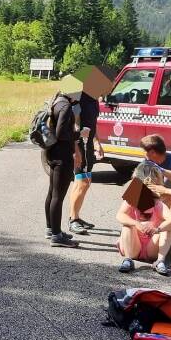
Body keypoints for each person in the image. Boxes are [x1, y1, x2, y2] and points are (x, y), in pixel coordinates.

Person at [116, 160, 171, 275]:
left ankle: (160, 261)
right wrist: (136, 224)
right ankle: (128, 260)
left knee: (167, 228)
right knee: (127, 225)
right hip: (133, 246)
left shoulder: (158, 203)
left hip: (151, 246)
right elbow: (120, 215)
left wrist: (158, 229)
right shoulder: (133, 196)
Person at [45, 90, 81, 248]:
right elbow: (61, 133)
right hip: (62, 156)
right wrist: (78, 134)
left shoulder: (56, 101)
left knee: (52, 192)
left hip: (51, 153)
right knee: (58, 197)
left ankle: (51, 229)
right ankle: (57, 236)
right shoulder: (66, 106)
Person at [67, 91, 102, 234]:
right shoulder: (79, 99)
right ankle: (73, 220)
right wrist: (76, 149)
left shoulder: (94, 99)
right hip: (79, 144)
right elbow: (73, 125)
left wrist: (97, 142)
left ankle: (76, 217)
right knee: (81, 181)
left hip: (88, 145)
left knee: (84, 181)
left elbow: (93, 124)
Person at [140, 134, 171, 225]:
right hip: (161, 194)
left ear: (152, 152)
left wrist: (161, 170)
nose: (143, 154)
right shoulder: (146, 161)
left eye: (144, 151)